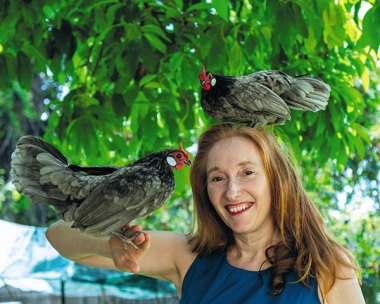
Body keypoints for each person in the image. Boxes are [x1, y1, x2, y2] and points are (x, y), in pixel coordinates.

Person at [46, 123, 365, 303]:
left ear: (276, 180)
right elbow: (58, 236)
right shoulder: (189, 255)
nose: (232, 191)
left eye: (247, 172)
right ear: (205, 192)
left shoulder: (326, 265)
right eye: (217, 178)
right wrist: (111, 240)